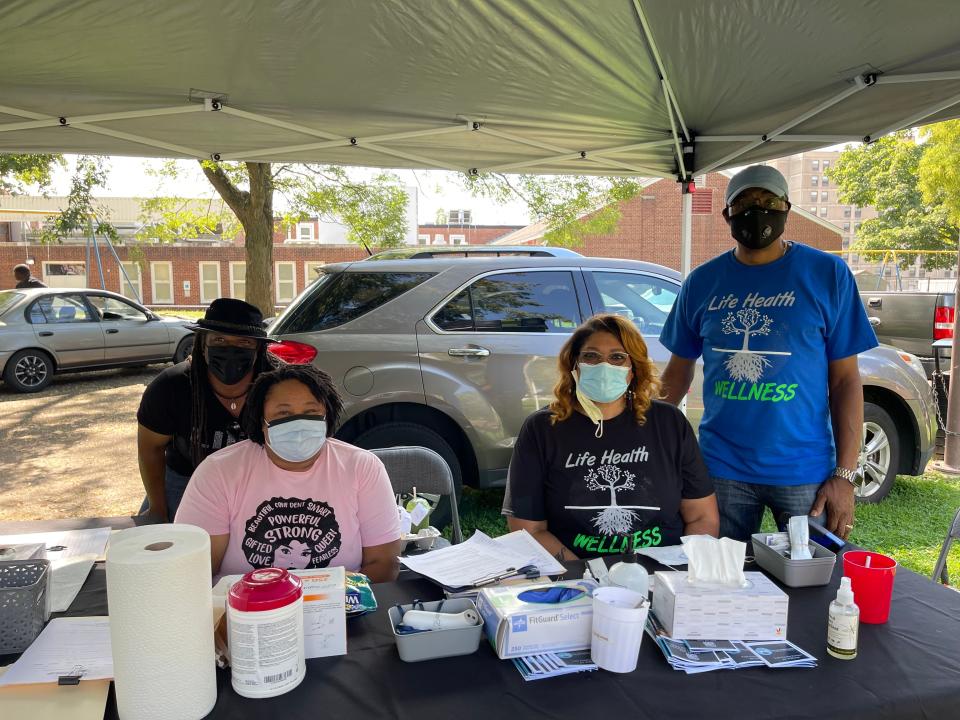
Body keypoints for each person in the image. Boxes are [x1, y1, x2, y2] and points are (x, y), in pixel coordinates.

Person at [659, 165, 878, 543]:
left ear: (786, 209)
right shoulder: (702, 282)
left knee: (808, 584)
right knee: (715, 581)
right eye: (743, 202)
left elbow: (845, 380)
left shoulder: (828, 274)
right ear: (727, 214)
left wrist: (844, 475)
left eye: (767, 201)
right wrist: (647, 439)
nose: (755, 211)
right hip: (721, 467)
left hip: (804, 470)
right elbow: (677, 374)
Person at [502, 313, 719, 560]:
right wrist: (585, 576)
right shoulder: (542, 429)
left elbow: (703, 517)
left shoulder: (669, 423)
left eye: (617, 357)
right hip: (579, 572)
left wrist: (682, 571)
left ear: (634, 368)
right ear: (574, 365)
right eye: (591, 356)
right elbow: (528, 529)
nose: (604, 366)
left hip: (661, 569)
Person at [175, 364, 401, 582]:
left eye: (311, 412)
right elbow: (193, 572)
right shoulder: (218, 472)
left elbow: (384, 563)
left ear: (327, 417)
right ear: (261, 423)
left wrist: (337, 597)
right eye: (283, 413)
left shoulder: (362, 467)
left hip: (340, 608)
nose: (299, 423)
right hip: (243, 613)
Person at [137, 298, 277, 522]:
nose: (230, 349)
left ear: (259, 348)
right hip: (187, 478)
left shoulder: (279, 385)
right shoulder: (171, 387)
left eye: (244, 342)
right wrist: (157, 508)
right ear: (202, 344)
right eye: (219, 339)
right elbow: (150, 449)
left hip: (260, 481)